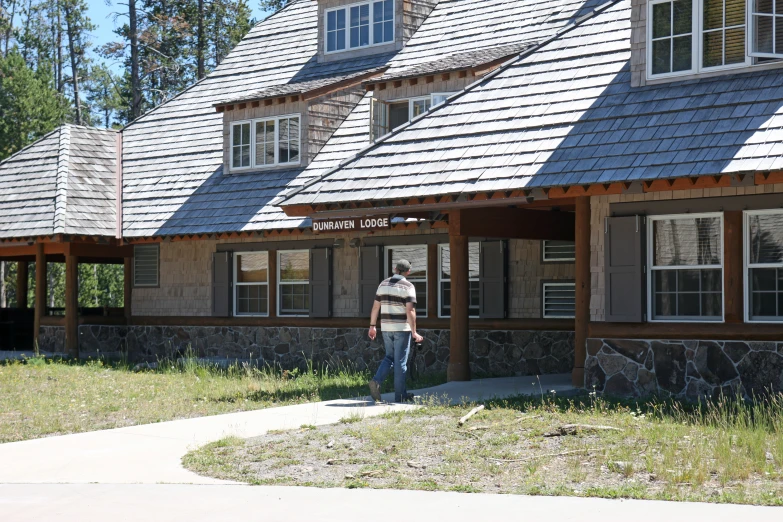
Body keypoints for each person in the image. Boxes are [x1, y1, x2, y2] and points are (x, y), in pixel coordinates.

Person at [367, 258, 424, 403]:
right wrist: (414, 331)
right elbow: (410, 311)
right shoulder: (408, 286)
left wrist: (372, 326)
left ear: (395, 269)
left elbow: (375, 307)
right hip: (401, 328)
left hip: (386, 327)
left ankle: (376, 380)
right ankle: (400, 396)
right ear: (408, 271)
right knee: (400, 362)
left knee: (390, 357)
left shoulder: (383, 284)